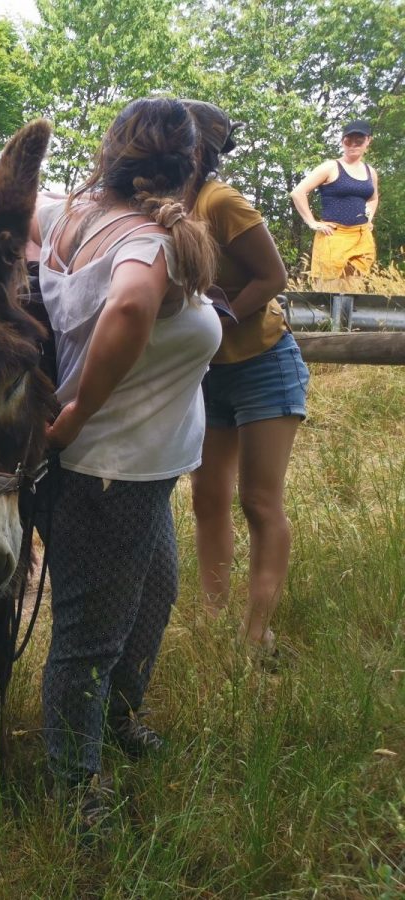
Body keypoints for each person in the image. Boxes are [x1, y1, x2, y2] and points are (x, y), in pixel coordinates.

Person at [22, 98, 221, 827]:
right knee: (90, 639)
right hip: (108, 471)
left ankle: (116, 720)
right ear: (189, 164)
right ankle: (75, 789)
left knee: (157, 594)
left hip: (141, 472)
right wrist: (76, 411)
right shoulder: (148, 241)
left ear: (112, 154)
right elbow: (133, 307)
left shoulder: (72, 213)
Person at [181, 100, 306, 661]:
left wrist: (222, 311)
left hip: (262, 363)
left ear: (196, 148)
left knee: (259, 500)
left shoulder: (219, 201)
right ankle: (213, 619)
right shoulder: (167, 205)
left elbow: (274, 275)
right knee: (207, 497)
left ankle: (256, 633)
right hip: (207, 373)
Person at [290, 120, 379, 291]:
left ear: (368, 141)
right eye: (348, 140)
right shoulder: (331, 167)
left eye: (358, 140)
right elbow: (298, 192)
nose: (353, 144)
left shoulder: (370, 172)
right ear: (342, 141)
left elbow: (373, 198)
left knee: (354, 292)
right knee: (328, 293)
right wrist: (312, 222)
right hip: (334, 236)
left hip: (361, 237)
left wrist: (369, 217)